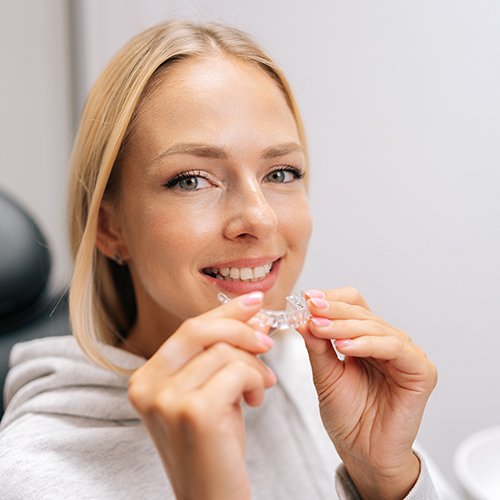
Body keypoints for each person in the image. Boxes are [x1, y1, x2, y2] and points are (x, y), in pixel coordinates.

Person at [0, 20, 457, 499]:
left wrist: (387, 478)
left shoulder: (315, 378)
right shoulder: (37, 475)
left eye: (281, 172)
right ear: (111, 227)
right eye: (193, 179)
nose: (258, 219)